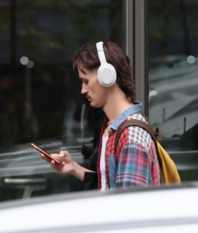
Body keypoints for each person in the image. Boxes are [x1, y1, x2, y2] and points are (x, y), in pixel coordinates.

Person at [42, 41, 161, 189]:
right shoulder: (111, 126)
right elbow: (108, 185)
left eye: (86, 81)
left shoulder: (130, 137)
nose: (83, 90)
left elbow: (129, 202)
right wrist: (74, 168)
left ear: (107, 76)